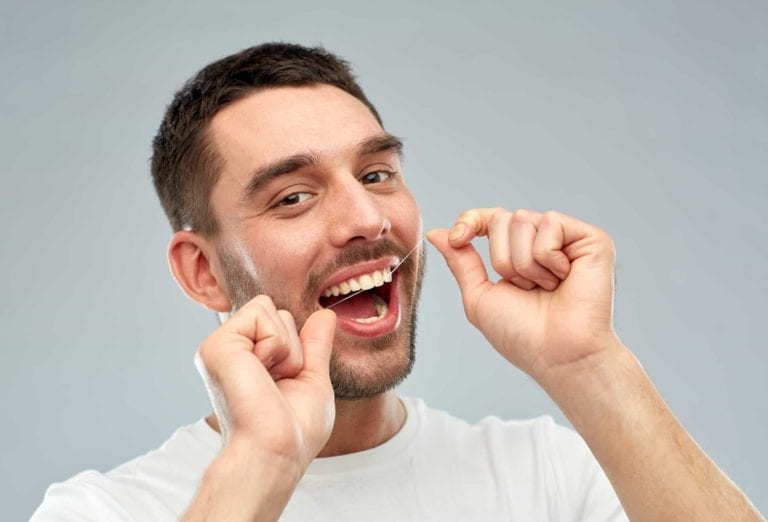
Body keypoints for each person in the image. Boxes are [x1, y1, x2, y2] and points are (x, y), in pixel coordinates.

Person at [32, 42, 764, 521]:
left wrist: (590, 367)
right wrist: (260, 467)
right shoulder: (101, 509)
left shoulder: (548, 475)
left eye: (377, 174)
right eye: (293, 196)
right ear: (202, 271)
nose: (366, 217)